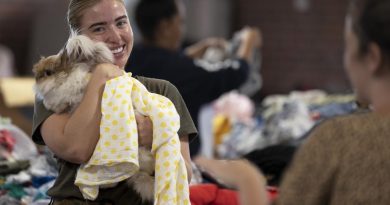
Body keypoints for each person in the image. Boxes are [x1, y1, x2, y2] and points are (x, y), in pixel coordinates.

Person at [195, 0, 390, 204]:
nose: (347, 62)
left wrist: (247, 178)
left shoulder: (341, 140)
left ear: (372, 58)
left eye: (348, 47)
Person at [31, 0, 197, 204]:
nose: (116, 36)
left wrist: (159, 136)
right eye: (99, 28)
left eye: (121, 23)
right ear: (79, 39)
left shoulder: (161, 92)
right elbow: (77, 149)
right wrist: (100, 77)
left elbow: (186, 175)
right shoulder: (58, 91)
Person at [125, 0, 261, 156]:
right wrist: (249, 41)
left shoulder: (133, 58)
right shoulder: (182, 71)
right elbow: (235, 74)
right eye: (180, 22)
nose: (182, 29)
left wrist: (196, 51)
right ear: (165, 27)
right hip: (174, 161)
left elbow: (166, 62)